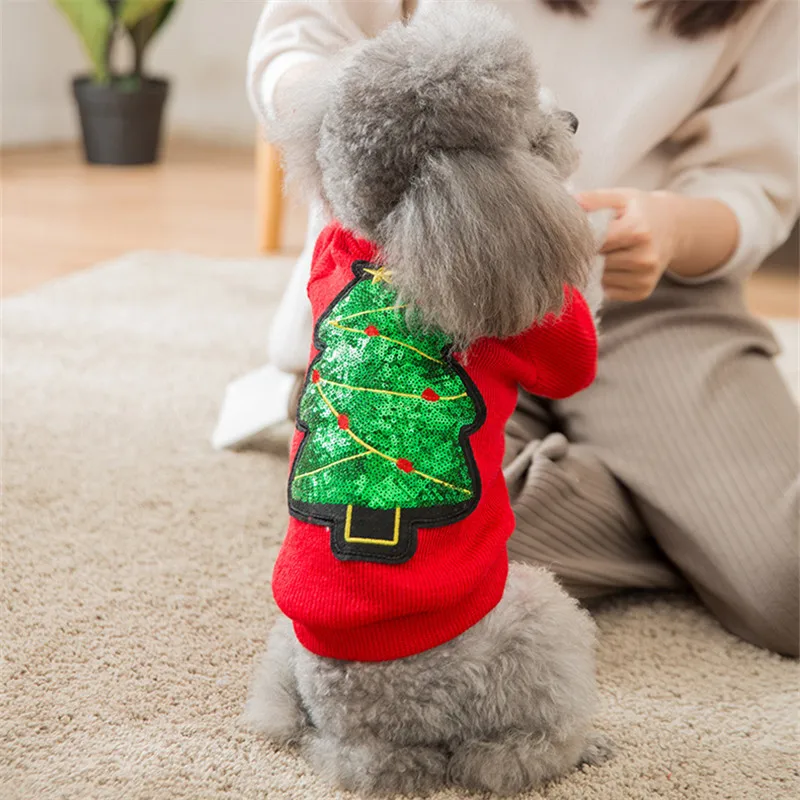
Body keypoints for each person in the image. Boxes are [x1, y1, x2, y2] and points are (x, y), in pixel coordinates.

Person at [247, 0, 799, 656]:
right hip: (422, 296)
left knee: (787, 580)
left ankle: (703, 512)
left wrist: (676, 226)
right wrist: (381, 119)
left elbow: (756, 182)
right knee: (391, 538)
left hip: (645, 298)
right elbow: (294, 42)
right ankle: (692, 516)